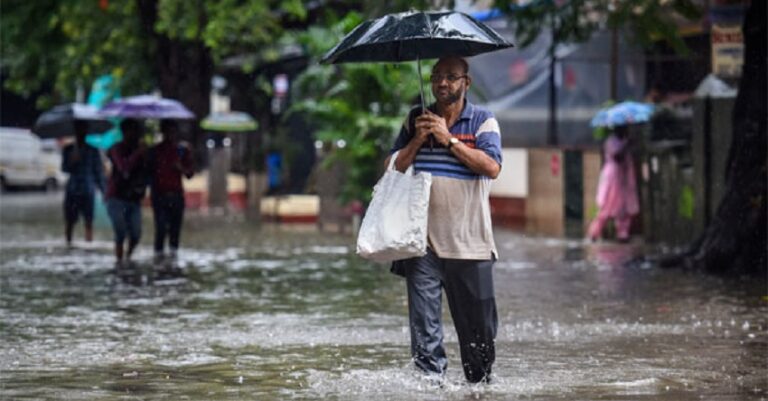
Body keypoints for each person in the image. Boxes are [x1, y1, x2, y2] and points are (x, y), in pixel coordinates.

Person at [386, 56, 502, 384]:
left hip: (471, 245)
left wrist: (448, 138)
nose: (442, 83)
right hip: (421, 245)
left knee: (479, 343)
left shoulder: (483, 120)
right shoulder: (415, 120)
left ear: (467, 82)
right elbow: (390, 168)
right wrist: (418, 140)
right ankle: (430, 387)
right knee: (424, 336)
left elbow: (492, 167)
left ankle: (478, 389)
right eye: (437, 76)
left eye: (451, 77)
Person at [147, 119, 194, 263]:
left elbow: (190, 174)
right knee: (160, 229)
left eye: (173, 132)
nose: (171, 135)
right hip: (159, 195)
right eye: (168, 131)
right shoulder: (154, 151)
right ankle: (158, 259)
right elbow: (149, 172)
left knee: (175, 231)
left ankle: (172, 261)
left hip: (176, 195)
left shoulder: (182, 150)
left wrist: (180, 167)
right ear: (163, 133)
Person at [105, 119, 148, 268]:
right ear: (124, 132)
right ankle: (119, 262)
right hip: (116, 197)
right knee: (120, 231)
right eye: (132, 131)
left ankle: (127, 258)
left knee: (135, 234)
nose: (135, 135)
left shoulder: (142, 150)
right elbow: (124, 169)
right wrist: (137, 154)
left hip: (133, 198)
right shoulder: (116, 149)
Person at [588, 125, 639, 242]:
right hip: (613, 177)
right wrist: (626, 144)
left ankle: (623, 234)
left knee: (624, 208)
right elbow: (617, 156)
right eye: (623, 129)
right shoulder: (611, 141)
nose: (625, 131)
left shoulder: (623, 141)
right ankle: (594, 233)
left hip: (624, 178)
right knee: (606, 206)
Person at [61, 120, 106, 247]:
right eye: (78, 129)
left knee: (89, 221)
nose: (81, 132)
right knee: (70, 221)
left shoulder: (93, 150)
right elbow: (64, 169)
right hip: (72, 189)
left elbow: (98, 172)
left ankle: (89, 247)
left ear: (86, 131)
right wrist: (72, 160)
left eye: (83, 129)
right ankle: (68, 245)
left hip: (88, 190)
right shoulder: (68, 149)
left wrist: (104, 191)